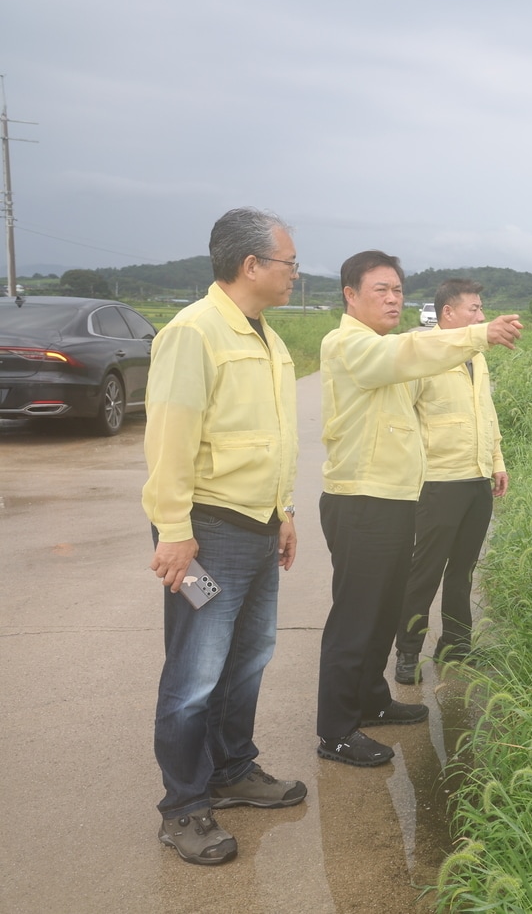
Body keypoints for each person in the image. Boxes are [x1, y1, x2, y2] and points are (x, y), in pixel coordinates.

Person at [316, 251, 522, 768]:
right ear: (350, 294)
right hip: (360, 497)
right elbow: (408, 355)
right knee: (356, 617)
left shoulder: (387, 347)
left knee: (383, 609)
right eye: (381, 289)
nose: (392, 299)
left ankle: (371, 699)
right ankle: (336, 730)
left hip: (395, 496)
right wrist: (479, 334)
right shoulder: (348, 344)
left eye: (398, 291)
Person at [142, 207, 304, 866]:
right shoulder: (195, 332)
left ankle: (233, 768)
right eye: (290, 262)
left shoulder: (265, 334)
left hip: (259, 527)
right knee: (195, 672)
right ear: (251, 265)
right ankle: (183, 806)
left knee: (249, 657)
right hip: (207, 534)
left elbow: (268, 435)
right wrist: (174, 531)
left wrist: (284, 511)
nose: (296, 273)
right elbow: (170, 438)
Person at [394, 279, 508, 684]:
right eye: (474, 309)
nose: (481, 316)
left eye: (481, 309)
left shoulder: (477, 354)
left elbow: (485, 410)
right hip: (438, 482)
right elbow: (402, 417)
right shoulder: (421, 352)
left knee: (463, 569)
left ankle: (456, 645)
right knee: (423, 571)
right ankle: (407, 652)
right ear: (449, 313)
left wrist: (497, 460)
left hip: (477, 479)